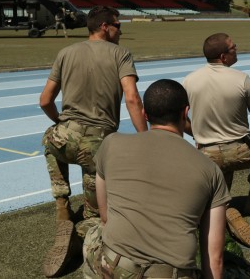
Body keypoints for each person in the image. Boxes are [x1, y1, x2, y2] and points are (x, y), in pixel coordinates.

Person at [83, 79, 230, 279]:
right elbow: (214, 260)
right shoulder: (211, 170)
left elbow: (105, 216)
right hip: (171, 274)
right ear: (185, 112)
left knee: (94, 232)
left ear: (145, 114)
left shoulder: (111, 143)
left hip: (116, 265)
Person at [39, 5, 147, 277]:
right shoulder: (121, 54)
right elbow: (132, 98)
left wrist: (60, 123)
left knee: (49, 143)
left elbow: (44, 101)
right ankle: (83, 230)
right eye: (118, 25)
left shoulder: (66, 52)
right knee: (95, 205)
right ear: (104, 27)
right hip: (97, 145)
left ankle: (62, 204)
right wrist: (146, 138)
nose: (121, 30)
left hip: (64, 137)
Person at [183, 32, 250, 249]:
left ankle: (221, 208)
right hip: (242, 152)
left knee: (218, 170)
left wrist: (197, 135)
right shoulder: (241, 78)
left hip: (207, 155)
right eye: (233, 48)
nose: (237, 50)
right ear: (223, 57)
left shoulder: (189, 81)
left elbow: (180, 118)